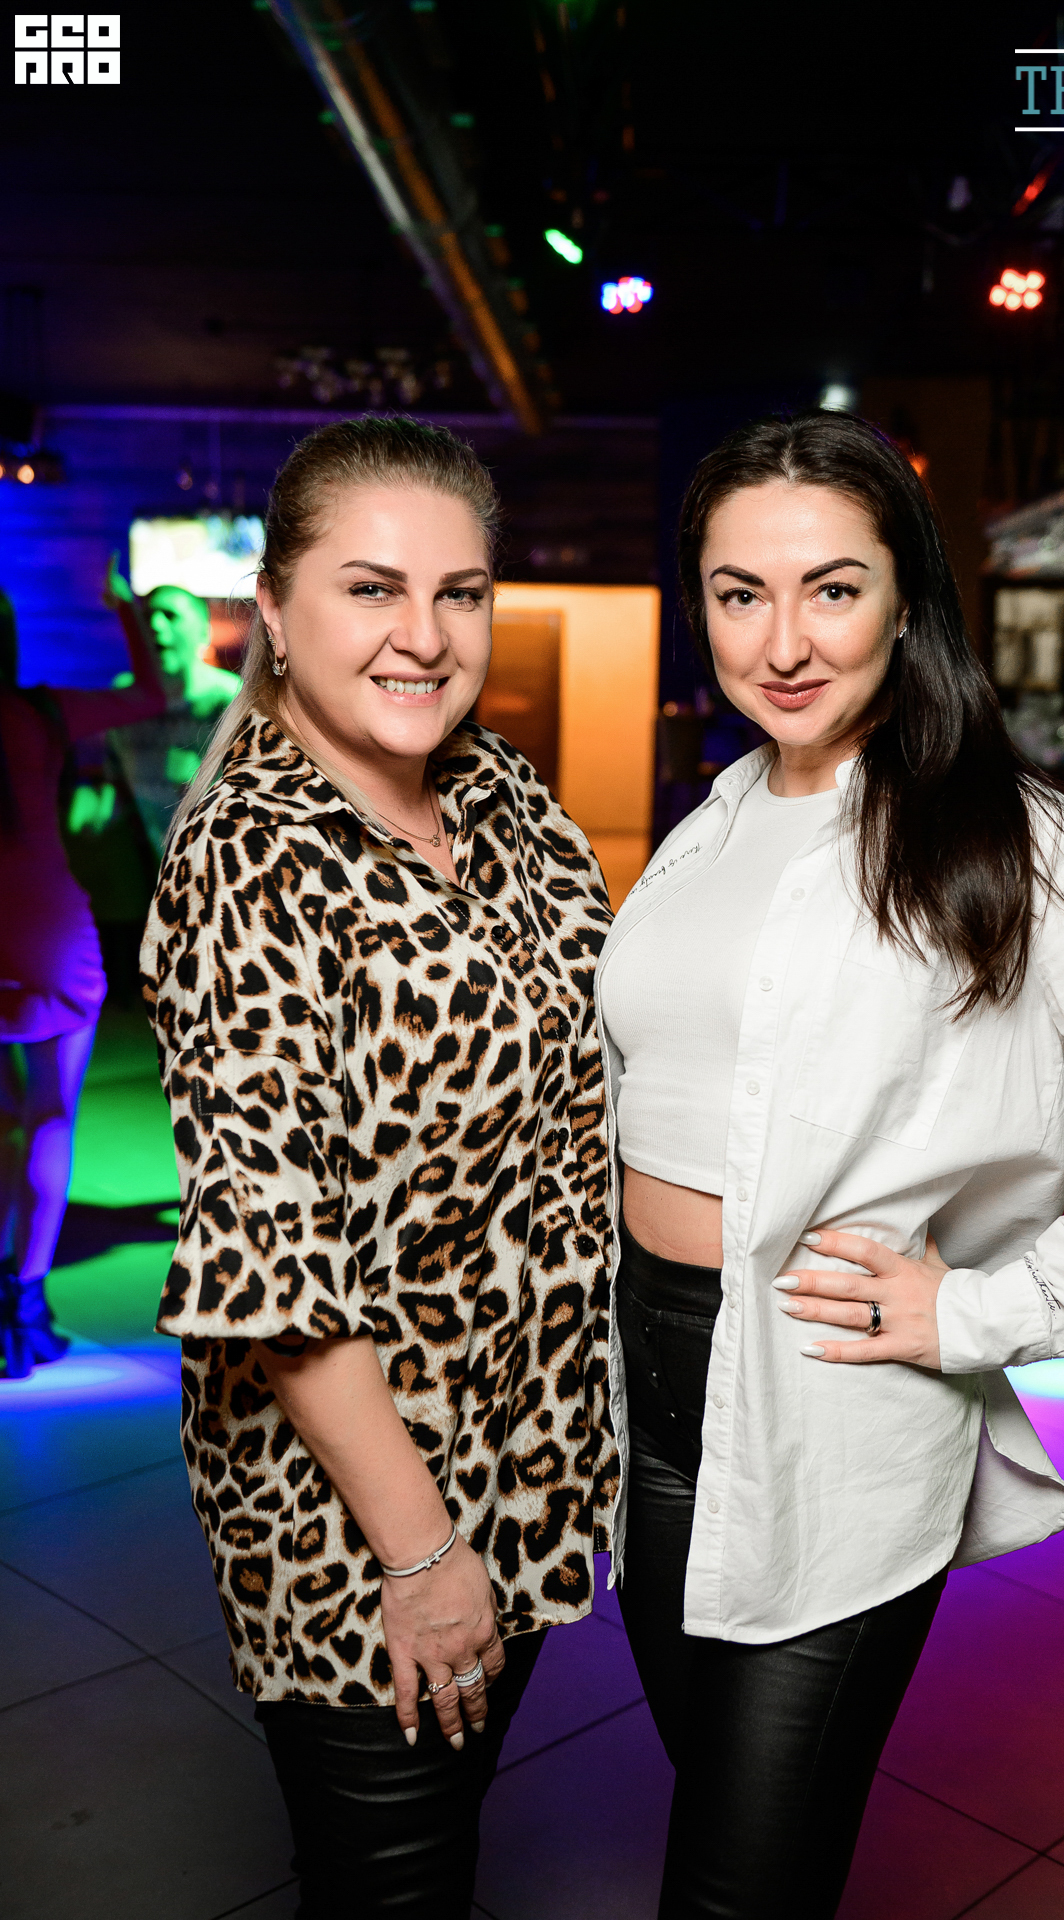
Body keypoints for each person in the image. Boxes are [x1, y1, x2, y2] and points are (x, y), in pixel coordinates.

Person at [596, 410, 1064, 1919]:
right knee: (721, 1816)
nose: (782, 642)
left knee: (731, 1892)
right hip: (648, 1404)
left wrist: (981, 1309)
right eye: (738, 592)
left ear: (907, 602)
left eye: (831, 589)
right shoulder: (711, 824)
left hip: (830, 1400)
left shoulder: (1012, 839)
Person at [142, 415, 617, 1917]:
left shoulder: (497, 790)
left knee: (437, 1847)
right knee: (392, 1888)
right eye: (370, 589)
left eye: (458, 593)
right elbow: (270, 1269)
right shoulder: (248, 859)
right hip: (362, 1514)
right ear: (274, 614)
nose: (424, 636)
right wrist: (420, 1558)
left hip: (520, 1456)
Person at [0, 577, 166, 1377]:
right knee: (49, 1116)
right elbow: (150, 695)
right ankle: (24, 1304)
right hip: (45, 930)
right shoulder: (41, 712)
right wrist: (121, 605)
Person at [109, 575, 240, 855]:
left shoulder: (233, 699)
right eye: (147, 617)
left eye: (170, 615)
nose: (155, 626)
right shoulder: (124, 699)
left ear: (203, 631)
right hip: (145, 860)